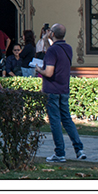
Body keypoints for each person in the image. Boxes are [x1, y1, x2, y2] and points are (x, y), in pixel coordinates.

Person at [35, 24, 87, 162]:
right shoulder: (67, 48)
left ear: (52, 34)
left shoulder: (52, 51)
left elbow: (49, 72)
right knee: (67, 119)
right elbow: (50, 51)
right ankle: (79, 149)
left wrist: (39, 70)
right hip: (64, 89)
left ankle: (60, 153)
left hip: (51, 90)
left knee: (55, 122)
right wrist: (46, 40)